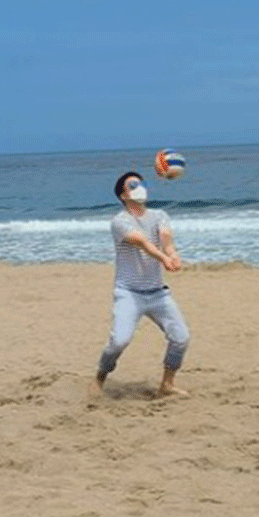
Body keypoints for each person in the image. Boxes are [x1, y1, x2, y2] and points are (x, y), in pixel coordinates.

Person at [93, 170, 190, 397]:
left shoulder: (159, 215)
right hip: (129, 293)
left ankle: (167, 384)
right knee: (118, 342)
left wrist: (172, 253)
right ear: (123, 195)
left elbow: (165, 237)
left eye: (142, 183)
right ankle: (99, 379)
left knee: (181, 337)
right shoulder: (120, 221)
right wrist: (164, 259)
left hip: (158, 293)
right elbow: (142, 242)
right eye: (133, 185)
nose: (140, 187)